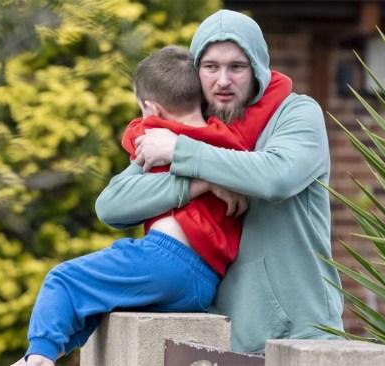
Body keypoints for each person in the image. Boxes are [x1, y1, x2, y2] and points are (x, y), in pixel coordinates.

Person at [12, 45, 292, 366]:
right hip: (205, 281)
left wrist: (145, 124)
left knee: (63, 280)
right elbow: (278, 86)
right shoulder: (230, 138)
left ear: (151, 108)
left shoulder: (156, 136)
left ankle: (38, 358)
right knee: (105, 300)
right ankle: (54, 352)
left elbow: (132, 137)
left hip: (164, 258)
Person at [96, 9, 345, 353]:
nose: (223, 80)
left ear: (257, 67)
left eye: (237, 67)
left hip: (301, 336)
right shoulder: (192, 126)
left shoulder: (297, 113)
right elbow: (113, 204)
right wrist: (198, 183)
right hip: (223, 339)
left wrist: (184, 153)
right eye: (211, 67)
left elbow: (276, 177)